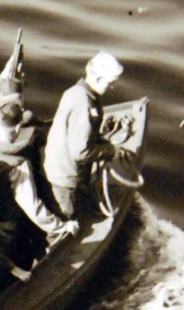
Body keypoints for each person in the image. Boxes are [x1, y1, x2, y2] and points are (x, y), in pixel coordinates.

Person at [0, 102, 78, 259]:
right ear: (17, 128)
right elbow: (33, 208)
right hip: (7, 232)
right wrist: (62, 226)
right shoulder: (18, 164)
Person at [44, 51, 124, 219]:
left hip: (60, 168)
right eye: (110, 83)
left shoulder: (75, 91)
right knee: (70, 219)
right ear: (98, 79)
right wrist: (109, 151)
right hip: (65, 178)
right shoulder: (84, 104)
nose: (113, 87)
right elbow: (80, 152)